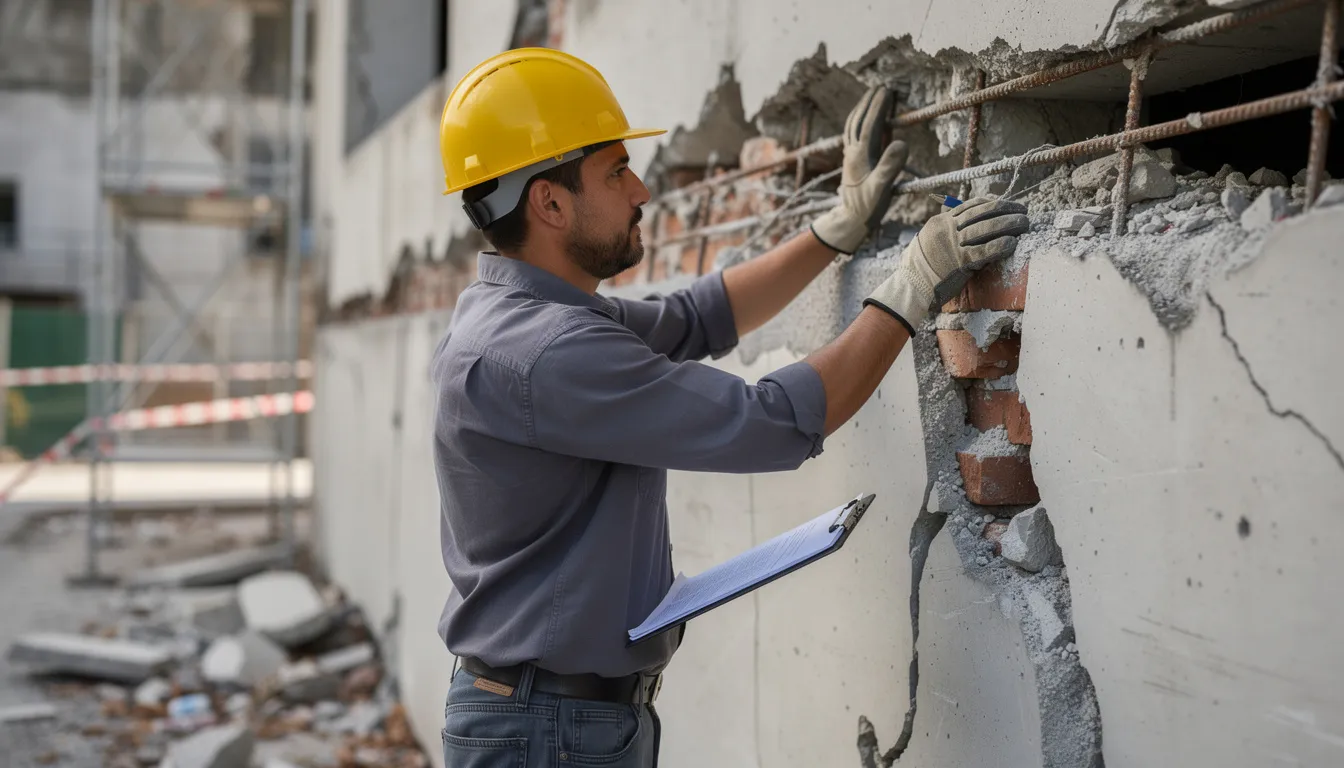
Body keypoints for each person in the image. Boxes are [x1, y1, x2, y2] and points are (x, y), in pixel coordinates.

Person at [431, 48, 1028, 768]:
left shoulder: (521, 316)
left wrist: (834, 231)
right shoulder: (549, 352)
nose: (642, 189)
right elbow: (772, 423)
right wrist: (911, 287)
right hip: (547, 728)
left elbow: (696, 318)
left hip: (553, 716)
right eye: (617, 170)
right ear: (550, 203)